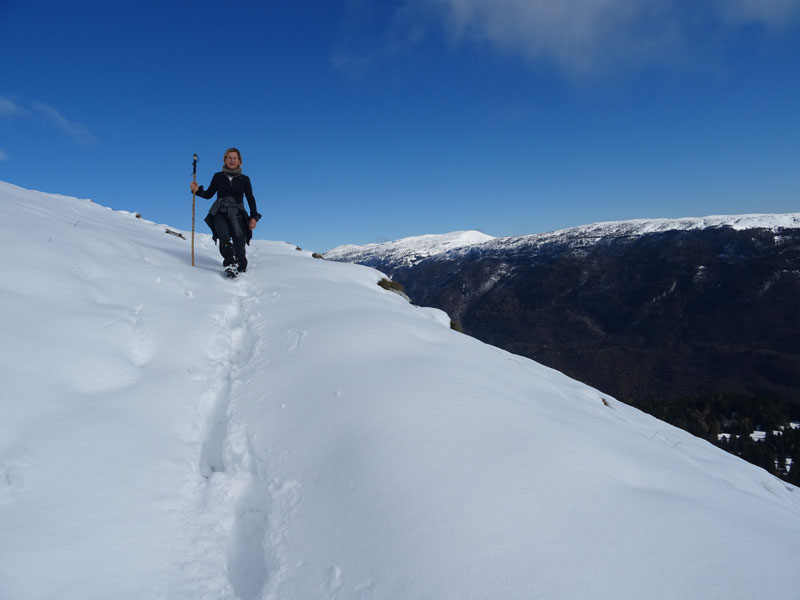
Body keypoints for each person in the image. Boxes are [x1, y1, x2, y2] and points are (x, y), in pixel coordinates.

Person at [190, 148, 261, 275]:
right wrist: (197, 191)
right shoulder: (218, 177)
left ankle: (239, 261)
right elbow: (208, 194)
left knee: (240, 248)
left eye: (235, 158)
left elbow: (250, 198)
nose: (232, 160)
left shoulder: (245, 179)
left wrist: (253, 217)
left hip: (238, 213)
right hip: (219, 212)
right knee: (223, 236)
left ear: (239, 161)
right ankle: (229, 263)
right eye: (229, 158)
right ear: (225, 160)